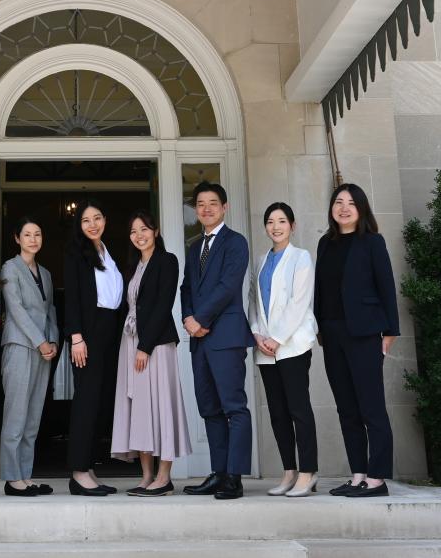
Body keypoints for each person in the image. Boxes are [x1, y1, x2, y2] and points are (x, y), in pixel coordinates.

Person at [314, 183, 399, 498]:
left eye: (351, 202)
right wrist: (319, 329)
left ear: (361, 209)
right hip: (332, 334)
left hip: (364, 333)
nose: (344, 207)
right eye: (338, 202)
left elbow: (386, 288)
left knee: (371, 407)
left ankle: (377, 479)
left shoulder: (372, 243)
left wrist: (390, 332)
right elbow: (320, 290)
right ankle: (358, 475)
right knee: (346, 408)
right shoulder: (325, 244)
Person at [180, 181, 254, 500]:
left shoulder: (235, 243)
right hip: (199, 339)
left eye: (213, 203)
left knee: (233, 406)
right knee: (209, 408)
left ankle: (234, 477)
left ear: (225, 207)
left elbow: (228, 286)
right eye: (200, 204)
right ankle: (218, 472)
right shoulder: (195, 246)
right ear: (196, 210)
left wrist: (201, 318)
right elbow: (186, 288)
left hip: (225, 336)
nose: (206, 208)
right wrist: (187, 318)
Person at [112, 211, 192, 497]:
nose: (139, 235)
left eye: (144, 229)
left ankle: (164, 477)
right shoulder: (133, 268)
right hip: (131, 343)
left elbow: (162, 305)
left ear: (155, 231)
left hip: (155, 344)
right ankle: (146, 477)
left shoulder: (167, 261)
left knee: (161, 406)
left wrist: (144, 346)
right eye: (133, 231)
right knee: (140, 408)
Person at [247, 203, 319, 498]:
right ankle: (289, 471)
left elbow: (298, 303)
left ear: (292, 225)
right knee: (277, 413)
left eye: (281, 221)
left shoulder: (301, 258)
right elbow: (253, 300)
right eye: (270, 222)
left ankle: (308, 472)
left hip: (292, 345)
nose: (275, 227)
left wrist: (276, 337)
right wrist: (256, 333)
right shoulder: (262, 260)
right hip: (265, 348)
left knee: (298, 410)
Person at [65, 199, 123, 496]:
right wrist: (76, 337)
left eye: (97, 218)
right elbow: (72, 298)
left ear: (105, 220)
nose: (92, 224)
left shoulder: (108, 254)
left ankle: (88, 467)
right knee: (86, 402)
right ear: (79, 225)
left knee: (101, 403)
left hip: (110, 332)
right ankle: (77, 472)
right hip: (87, 334)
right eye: (86, 220)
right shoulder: (77, 254)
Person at [0, 217, 59, 497]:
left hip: (44, 350)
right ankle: (12, 479)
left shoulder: (45, 273)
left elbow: (51, 311)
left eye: (37, 234)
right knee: (16, 414)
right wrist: (40, 342)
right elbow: (16, 309)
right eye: (27, 234)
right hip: (21, 346)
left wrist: (54, 341)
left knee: (33, 416)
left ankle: (26, 475)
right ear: (17, 238)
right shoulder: (9, 268)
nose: (33, 239)